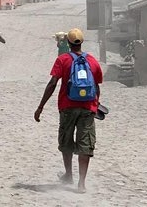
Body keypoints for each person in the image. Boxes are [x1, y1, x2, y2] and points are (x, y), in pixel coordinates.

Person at [34, 27, 103, 194]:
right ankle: (81, 183)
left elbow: (52, 83)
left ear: (68, 42)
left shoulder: (63, 59)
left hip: (67, 106)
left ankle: (69, 175)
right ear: (82, 42)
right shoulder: (92, 61)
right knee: (85, 143)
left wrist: (40, 106)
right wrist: (96, 104)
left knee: (66, 140)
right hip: (88, 107)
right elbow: (97, 86)